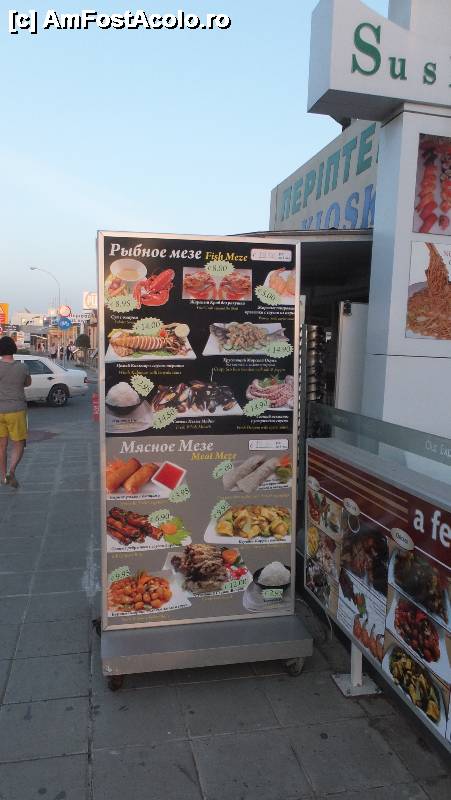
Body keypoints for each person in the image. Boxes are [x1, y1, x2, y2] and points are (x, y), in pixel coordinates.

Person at [0, 336, 31, 489]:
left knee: (2, 445)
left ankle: (3, 475)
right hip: (17, 410)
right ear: (14, 348)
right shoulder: (22, 367)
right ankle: (11, 471)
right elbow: (27, 383)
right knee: (18, 443)